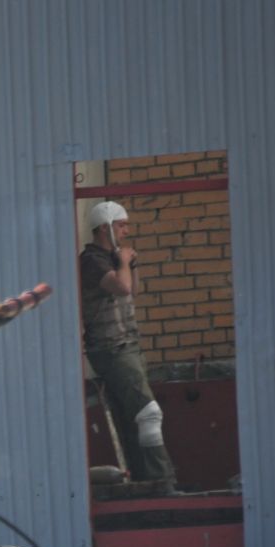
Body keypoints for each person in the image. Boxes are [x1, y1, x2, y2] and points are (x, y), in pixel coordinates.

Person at [80, 200, 178, 492]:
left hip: (127, 346)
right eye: (121, 225)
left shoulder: (111, 258)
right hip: (112, 348)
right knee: (149, 413)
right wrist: (122, 262)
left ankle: (146, 481)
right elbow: (120, 287)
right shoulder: (92, 260)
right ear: (104, 228)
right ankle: (163, 481)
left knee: (135, 416)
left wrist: (129, 265)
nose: (126, 231)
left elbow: (131, 291)